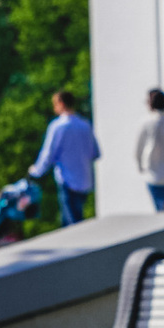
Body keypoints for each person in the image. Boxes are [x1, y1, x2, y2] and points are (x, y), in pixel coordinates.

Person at [27, 89, 100, 226]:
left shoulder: (58, 126)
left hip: (67, 180)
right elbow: (95, 153)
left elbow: (48, 154)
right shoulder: (85, 125)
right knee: (75, 219)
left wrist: (36, 171)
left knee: (72, 225)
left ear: (61, 103)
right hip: (84, 180)